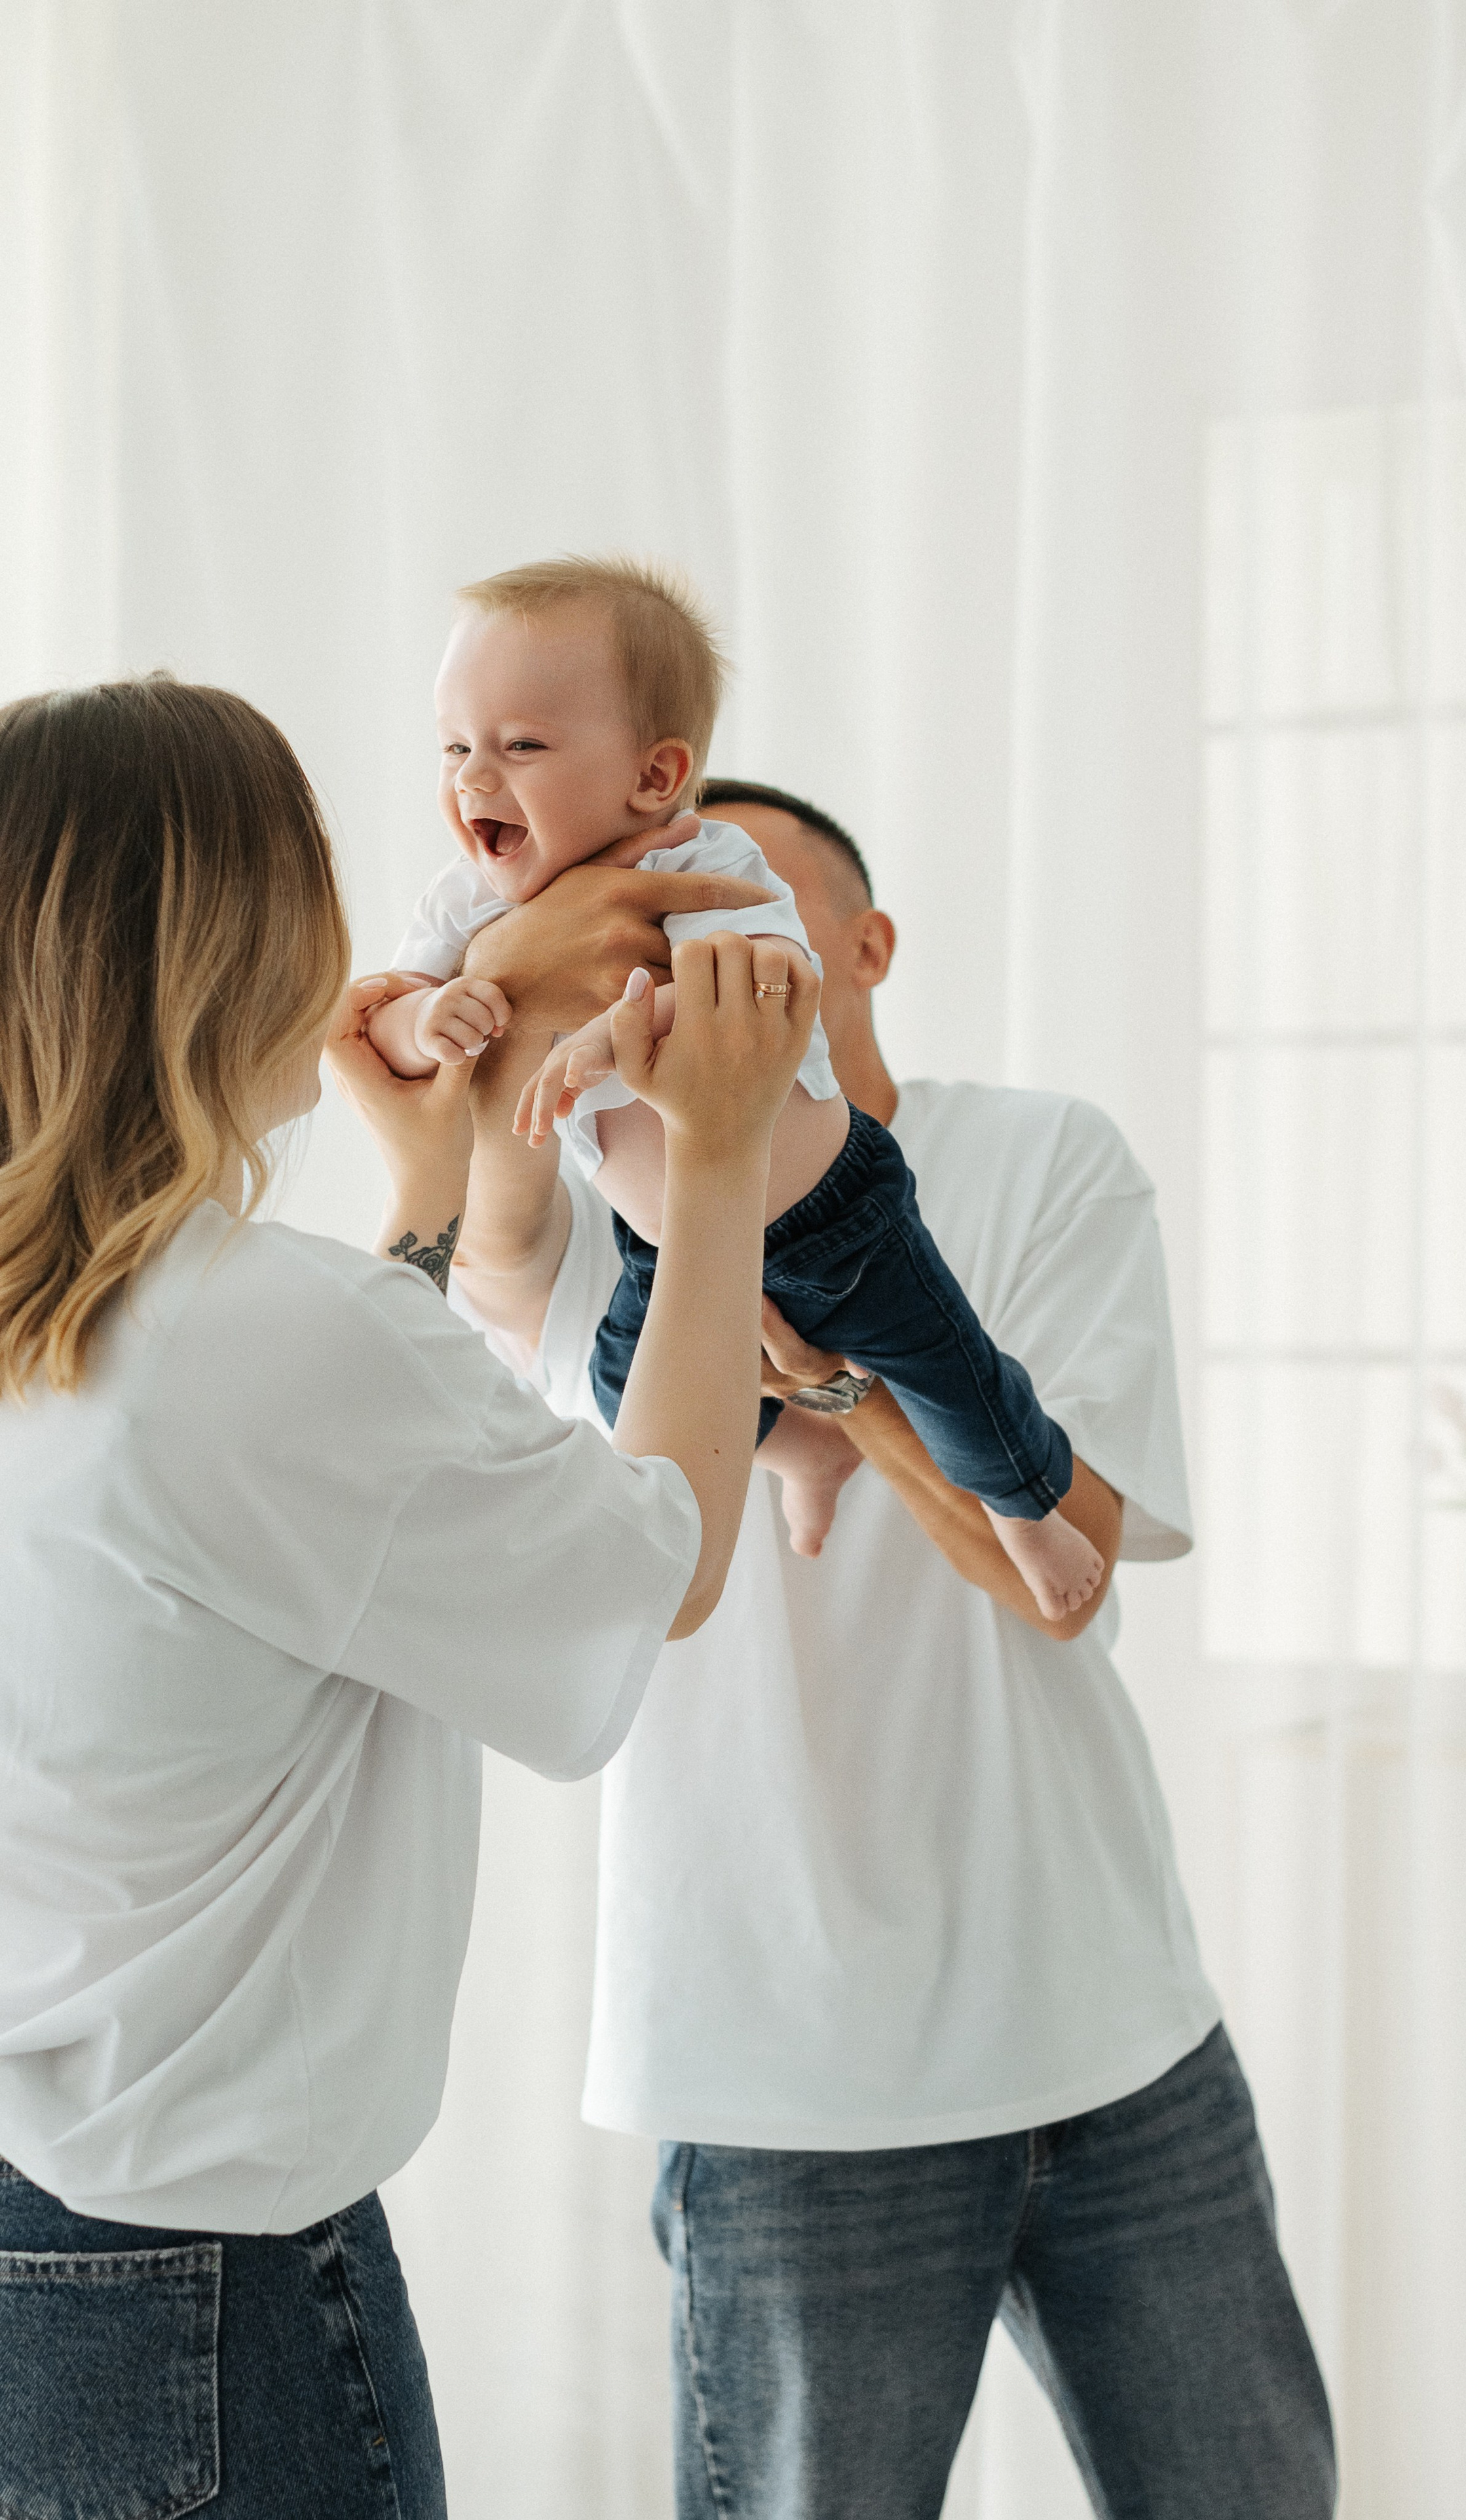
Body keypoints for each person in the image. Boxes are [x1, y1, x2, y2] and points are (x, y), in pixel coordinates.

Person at [449, 779, 1338, 2520]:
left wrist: (843, 1392)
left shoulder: (1046, 1157)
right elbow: (561, 1409)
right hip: (783, 2078)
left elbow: (1061, 1572)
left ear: (856, 946)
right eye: (664, 917)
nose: (712, 956)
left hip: (1112, 2024)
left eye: (752, 911)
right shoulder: (601, 1184)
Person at [0, 677, 814, 2519]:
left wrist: (434, 1199)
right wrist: (720, 1157)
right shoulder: (260, 1335)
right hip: (201, 2301)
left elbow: (278, 1520)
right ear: (242, 943)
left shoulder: (111, 1329)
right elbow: (655, 1560)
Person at [371, 555, 1102, 1620]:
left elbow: (742, 1011)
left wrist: (601, 1046)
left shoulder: (705, 867)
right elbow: (387, 1006)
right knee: (631, 1401)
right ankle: (800, 1456)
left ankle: (1026, 1509)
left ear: (656, 778)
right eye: (455, 747)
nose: (475, 780)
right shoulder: (473, 905)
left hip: (835, 1215)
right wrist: (424, 1015)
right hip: (663, 1245)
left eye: (521, 746)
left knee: (956, 1377)